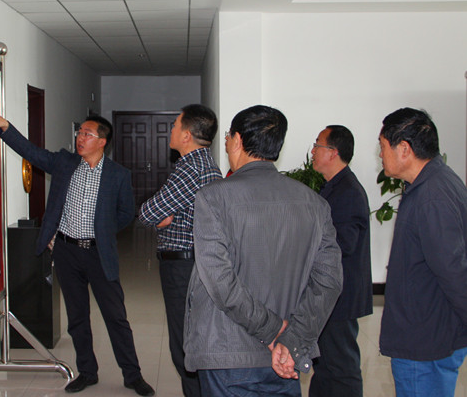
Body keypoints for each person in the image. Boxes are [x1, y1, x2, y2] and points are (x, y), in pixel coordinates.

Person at [0, 108, 155, 396]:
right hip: (66, 252)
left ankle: (132, 375)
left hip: (99, 254)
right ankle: (87, 372)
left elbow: (127, 213)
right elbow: (31, 152)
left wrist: (103, 230)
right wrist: (5, 127)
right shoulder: (65, 162)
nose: (80, 137)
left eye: (87, 134)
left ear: (102, 142)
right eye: (79, 132)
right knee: (77, 317)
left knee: (115, 317)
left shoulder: (118, 175)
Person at [183, 105, 343, 396]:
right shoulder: (314, 203)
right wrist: (292, 339)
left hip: (228, 353)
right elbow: (329, 282)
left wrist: (273, 330)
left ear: (238, 140)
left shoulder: (213, 198)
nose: (227, 143)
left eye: (228, 136)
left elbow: (220, 283)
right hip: (286, 356)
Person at [378, 108, 467, 397]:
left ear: (404, 149)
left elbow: (453, 271)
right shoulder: (434, 182)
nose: (380, 155)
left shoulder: (432, 196)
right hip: (429, 335)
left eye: (383, 146)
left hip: (425, 344)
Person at [138, 104, 220, 397]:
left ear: (186, 135)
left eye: (175, 125)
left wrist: (161, 214)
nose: (171, 130)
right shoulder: (206, 163)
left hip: (183, 267)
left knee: (184, 346)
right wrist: (165, 214)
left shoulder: (190, 168)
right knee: (194, 339)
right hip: (196, 263)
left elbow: (148, 213)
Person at [309, 125, 372, 397]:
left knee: (342, 368)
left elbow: (343, 244)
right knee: (325, 365)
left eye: (318, 145)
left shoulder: (348, 191)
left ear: (333, 152)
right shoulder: (334, 186)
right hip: (329, 294)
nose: (313, 151)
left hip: (340, 297)